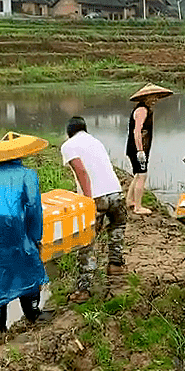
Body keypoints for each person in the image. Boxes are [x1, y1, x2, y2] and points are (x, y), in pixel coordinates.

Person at [0, 132, 53, 338]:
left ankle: (0, 328)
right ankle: (32, 314)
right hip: (15, 228)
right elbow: (33, 208)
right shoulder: (27, 175)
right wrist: (35, 237)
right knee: (27, 265)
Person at [61, 117, 127, 304]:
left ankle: (84, 290)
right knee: (117, 226)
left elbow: (81, 171)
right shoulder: (96, 142)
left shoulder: (68, 145)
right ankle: (115, 265)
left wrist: (89, 200)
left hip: (96, 197)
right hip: (115, 192)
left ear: (69, 132)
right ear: (85, 129)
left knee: (86, 242)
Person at [125, 83, 173, 215]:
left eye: (157, 97)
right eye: (153, 97)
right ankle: (138, 207)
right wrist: (140, 150)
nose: (155, 99)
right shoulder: (142, 110)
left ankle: (130, 201)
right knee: (142, 175)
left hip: (138, 147)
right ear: (146, 97)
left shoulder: (145, 109)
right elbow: (137, 131)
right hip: (138, 148)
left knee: (137, 174)